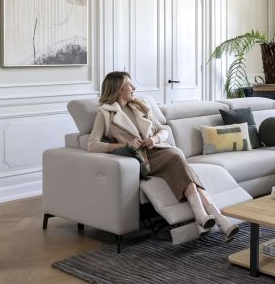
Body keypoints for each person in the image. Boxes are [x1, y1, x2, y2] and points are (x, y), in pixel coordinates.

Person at [88, 71, 239, 242]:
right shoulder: (105, 114)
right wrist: (124, 145)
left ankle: (205, 217)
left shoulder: (140, 106)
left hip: (158, 150)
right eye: (129, 84)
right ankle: (218, 218)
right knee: (176, 157)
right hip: (142, 159)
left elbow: (163, 131)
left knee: (180, 163)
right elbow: (92, 145)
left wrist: (154, 139)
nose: (134, 88)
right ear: (119, 88)